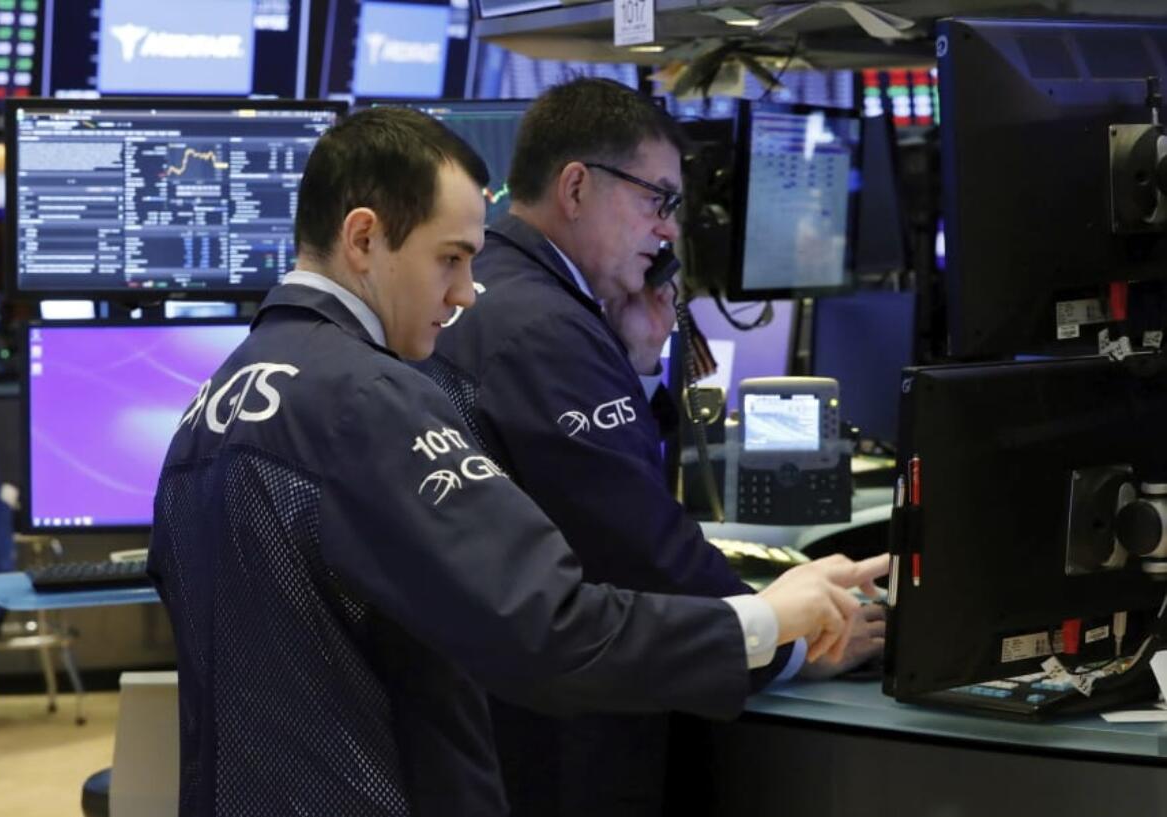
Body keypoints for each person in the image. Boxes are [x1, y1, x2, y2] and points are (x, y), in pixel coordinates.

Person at [146, 106, 886, 817]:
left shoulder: (214, 400)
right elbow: (551, 627)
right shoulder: (369, 401)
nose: (467, 291)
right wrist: (764, 619)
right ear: (365, 239)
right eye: (451, 258)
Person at [424, 78, 887, 815]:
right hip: (550, 746)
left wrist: (637, 361)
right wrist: (796, 636)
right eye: (657, 199)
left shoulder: (501, 288)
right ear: (576, 187)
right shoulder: (545, 328)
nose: (670, 230)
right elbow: (638, 553)